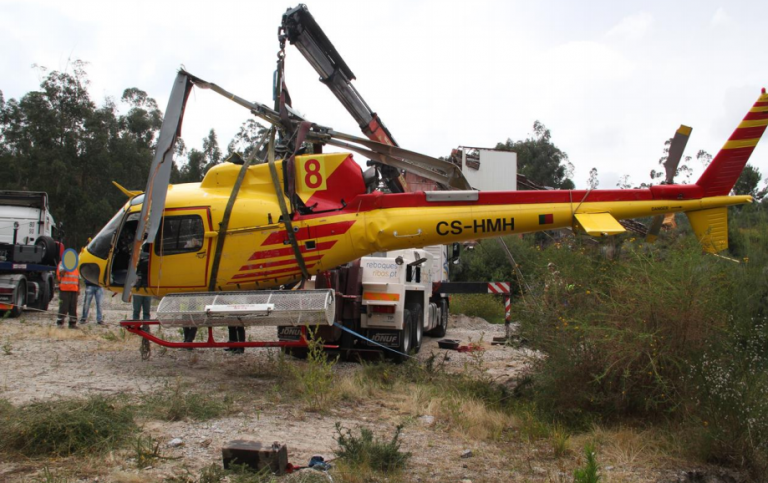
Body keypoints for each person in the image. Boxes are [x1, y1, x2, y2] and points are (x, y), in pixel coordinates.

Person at [56, 259, 80, 328]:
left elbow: (78, 277)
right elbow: (61, 274)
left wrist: (78, 288)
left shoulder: (76, 264)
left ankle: (72, 323)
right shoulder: (62, 263)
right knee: (63, 306)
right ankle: (60, 322)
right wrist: (67, 266)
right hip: (64, 289)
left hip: (74, 289)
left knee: (73, 307)